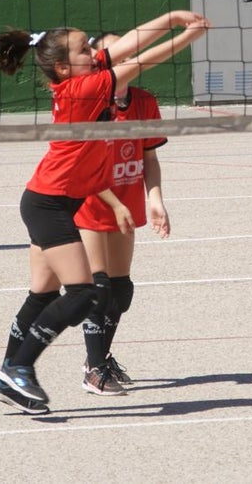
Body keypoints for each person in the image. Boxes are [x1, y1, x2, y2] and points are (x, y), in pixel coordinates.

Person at [0, 11, 210, 414]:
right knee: (85, 293)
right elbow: (142, 60)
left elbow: (127, 46)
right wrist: (188, 35)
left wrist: (174, 16)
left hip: (54, 198)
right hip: (49, 204)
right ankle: (18, 369)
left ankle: (7, 370)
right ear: (63, 66)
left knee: (43, 292)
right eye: (85, 47)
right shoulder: (84, 90)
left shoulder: (79, 77)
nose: (95, 50)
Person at [73, 32, 170, 397]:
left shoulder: (144, 102)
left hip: (126, 205)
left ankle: (99, 357)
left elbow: (150, 158)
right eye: (113, 54)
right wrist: (114, 203)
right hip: (92, 203)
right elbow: (80, 166)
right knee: (97, 289)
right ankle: (94, 370)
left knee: (121, 290)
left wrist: (155, 199)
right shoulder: (88, 103)